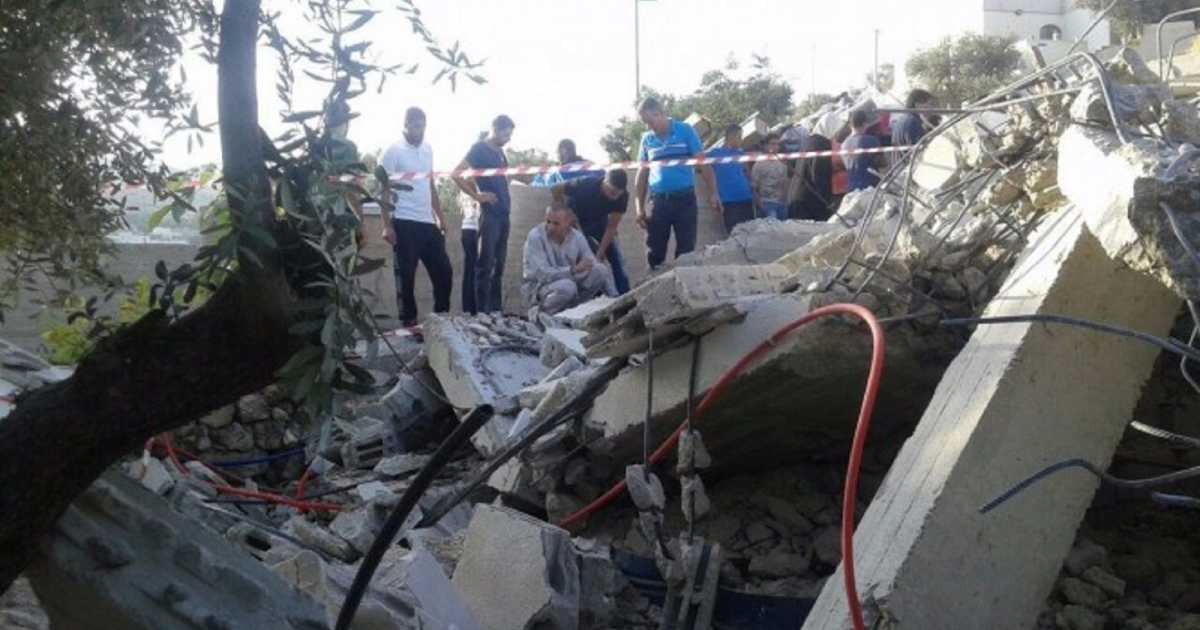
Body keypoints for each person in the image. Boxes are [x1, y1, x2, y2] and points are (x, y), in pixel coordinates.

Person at [380, 107, 453, 327]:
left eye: (423, 126)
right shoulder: (393, 151)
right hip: (403, 220)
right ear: (406, 125)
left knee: (444, 272)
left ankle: (440, 321)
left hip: (427, 222)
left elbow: (430, 184)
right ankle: (409, 324)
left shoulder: (428, 149)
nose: (420, 130)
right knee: (406, 277)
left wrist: (440, 217)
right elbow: (384, 190)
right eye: (416, 126)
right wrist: (386, 225)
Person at [633, 97, 719, 269]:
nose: (648, 127)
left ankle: (683, 283)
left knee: (686, 252)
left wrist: (714, 192)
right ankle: (655, 282)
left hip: (685, 201)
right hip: (658, 203)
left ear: (659, 113)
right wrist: (639, 208)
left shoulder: (685, 130)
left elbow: (703, 163)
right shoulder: (647, 139)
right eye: (645, 123)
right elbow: (642, 173)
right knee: (654, 252)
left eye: (650, 122)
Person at [454, 115, 514, 313]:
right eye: (505, 135)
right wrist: (477, 196)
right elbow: (456, 173)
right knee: (485, 265)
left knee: (499, 265)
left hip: (504, 214)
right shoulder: (479, 149)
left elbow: (502, 180)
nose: (508, 139)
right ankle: (482, 313)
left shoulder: (501, 153)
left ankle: (496, 311)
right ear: (495, 129)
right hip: (490, 216)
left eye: (510, 135)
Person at [522, 204, 616, 316]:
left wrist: (614, 297)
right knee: (567, 287)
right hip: (539, 287)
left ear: (568, 223)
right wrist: (573, 270)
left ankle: (578, 311)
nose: (550, 227)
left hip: (568, 283)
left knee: (600, 270)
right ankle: (541, 315)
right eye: (548, 221)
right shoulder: (535, 237)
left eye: (556, 223)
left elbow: (591, 263)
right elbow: (542, 274)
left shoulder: (577, 236)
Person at [552, 169, 631, 294]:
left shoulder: (622, 197)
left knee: (616, 258)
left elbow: (611, 227)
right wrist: (564, 213)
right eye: (611, 192)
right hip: (577, 221)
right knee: (586, 259)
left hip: (599, 220)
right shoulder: (585, 184)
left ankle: (626, 296)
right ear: (604, 182)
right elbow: (555, 188)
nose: (614, 197)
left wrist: (600, 253)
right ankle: (594, 295)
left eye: (617, 194)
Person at [706, 124, 756, 234]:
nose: (741, 140)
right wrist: (713, 194)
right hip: (729, 202)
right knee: (734, 235)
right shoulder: (715, 154)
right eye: (739, 137)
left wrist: (752, 186)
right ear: (731, 136)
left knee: (750, 235)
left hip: (746, 199)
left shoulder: (741, 154)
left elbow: (747, 173)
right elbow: (703, 171)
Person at [842, 109, 885, 192]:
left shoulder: (844, 145)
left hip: (851, 189)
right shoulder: (871, 140)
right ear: (865, 124)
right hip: (870, 188)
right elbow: (882, 164)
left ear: (850, 125)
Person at [752, 132, 789, 221]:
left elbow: (784, 183)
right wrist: (761, 205)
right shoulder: (759, 164)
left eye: (777, 144)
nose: (775, 147)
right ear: (766, 146)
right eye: (773, 144)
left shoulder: (782, 163)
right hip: (766, 203)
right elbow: (753, 187)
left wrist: (784, 201)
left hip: (781, 204)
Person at [459, 188, 480, 315]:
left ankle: (469, 308)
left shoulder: (464, 189)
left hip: (468, 229)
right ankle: (471, 308)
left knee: (470, 270)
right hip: (473, 230)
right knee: (473, 270)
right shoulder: (473, 185)